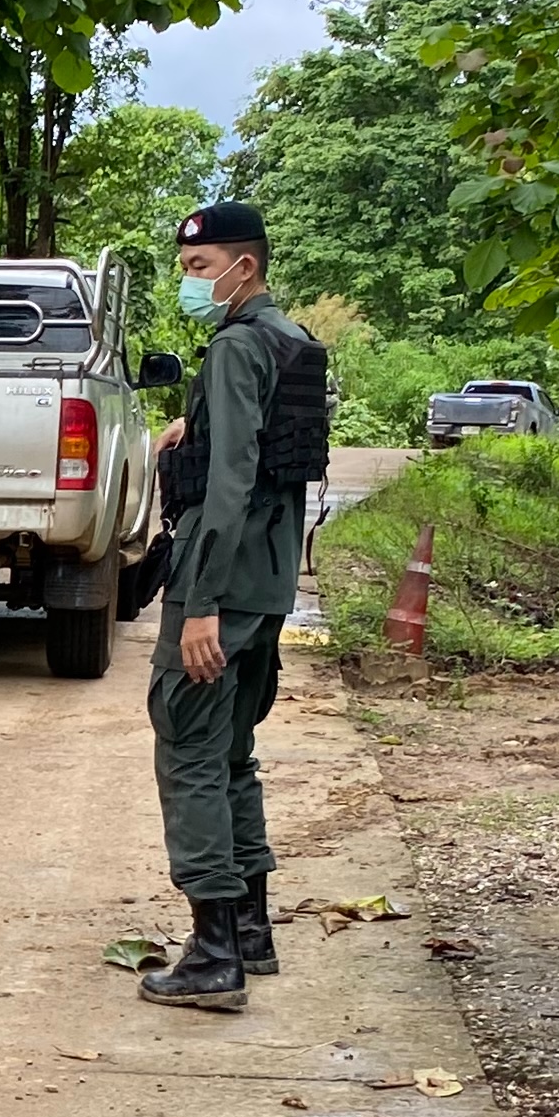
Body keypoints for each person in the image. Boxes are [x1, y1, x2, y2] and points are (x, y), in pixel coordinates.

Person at [137, 202, 325, 1015]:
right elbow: (261, 446)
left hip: (221, 584)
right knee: (233, 753)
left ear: (243, 268)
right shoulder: (288, 340)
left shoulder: (236, 346)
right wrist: (198, 424)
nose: (190, 282)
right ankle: (250, 931)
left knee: (188, 752)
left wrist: (201, 604)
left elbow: (232, 481)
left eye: (199, 268)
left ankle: (213, 953)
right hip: (270, 582)